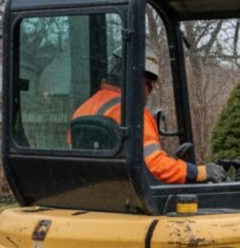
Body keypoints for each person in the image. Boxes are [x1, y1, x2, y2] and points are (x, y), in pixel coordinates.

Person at [71, 47, 227, 184]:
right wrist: (198, 173)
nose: (149, 91)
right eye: (149, 85)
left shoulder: (84, 109)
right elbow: (153, 165)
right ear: (142, 82)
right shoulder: (132, 114)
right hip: (128, 197)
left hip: (93, 191)